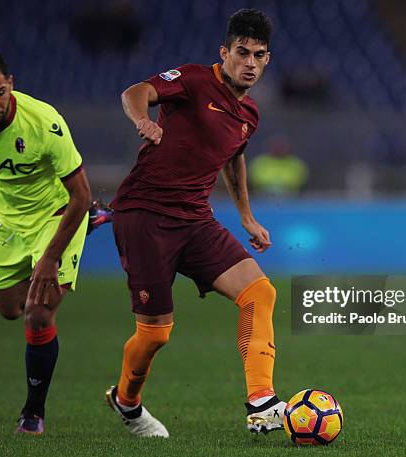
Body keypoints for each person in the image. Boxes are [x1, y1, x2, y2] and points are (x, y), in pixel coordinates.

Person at [106, 9, 285, 438]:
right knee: (156, 334)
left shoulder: (250, 114)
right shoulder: (192, 79)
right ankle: (127, 402)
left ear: (267, 60)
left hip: (195, 220)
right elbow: (136, 91)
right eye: (241, 52)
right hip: (145, 214)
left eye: (258, 55)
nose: (249, 63)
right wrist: (143, 120)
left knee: (260, 292)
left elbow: (234, 155)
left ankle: (262, 401)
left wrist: (246, 215)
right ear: (224, 52)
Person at [0, 49, 109, 435]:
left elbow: (81, 195)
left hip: (57, 214)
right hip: (9, 223)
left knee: (38, 312)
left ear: (11, 84)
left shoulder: (44, 124)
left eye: (0, 93)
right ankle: (86, 227)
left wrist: (50, 258)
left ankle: (33, 413)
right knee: (8, 309)